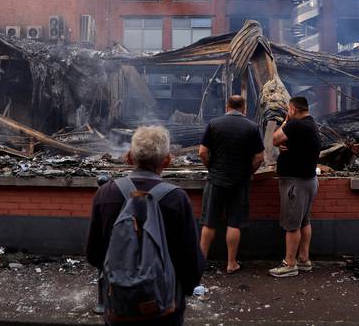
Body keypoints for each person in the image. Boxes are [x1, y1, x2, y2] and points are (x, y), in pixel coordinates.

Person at [86, 126, 204, 326]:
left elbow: (94, 254)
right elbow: (191, 259)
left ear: (129, 158)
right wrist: (182, 290)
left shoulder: (105, 194)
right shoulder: (177, 199)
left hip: (119, 305)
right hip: (165, 306)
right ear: (167, 160)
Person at [198, 95, 265, 274]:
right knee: (234, 223)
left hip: (216, 180)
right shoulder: (252, 127)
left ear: (227, 106)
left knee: (209, 222)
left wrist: (212, 167)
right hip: (240, 181)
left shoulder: (213, 124)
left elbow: (203, 152)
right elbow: (260, 157)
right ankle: (231, 263)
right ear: (244, 108)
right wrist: (248, 172)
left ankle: (201, 262)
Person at [268, 96, 321, 278]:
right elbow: (293, 143)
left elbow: (274, 140)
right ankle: (304, 259)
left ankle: (289, 263)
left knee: (292, 225)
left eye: (288, 109)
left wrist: (285, 122)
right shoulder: (310, 124)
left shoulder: (296, 125)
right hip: (309, 180)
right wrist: (286, 142)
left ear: (292, 109)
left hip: (295, 183)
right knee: (304, 221)